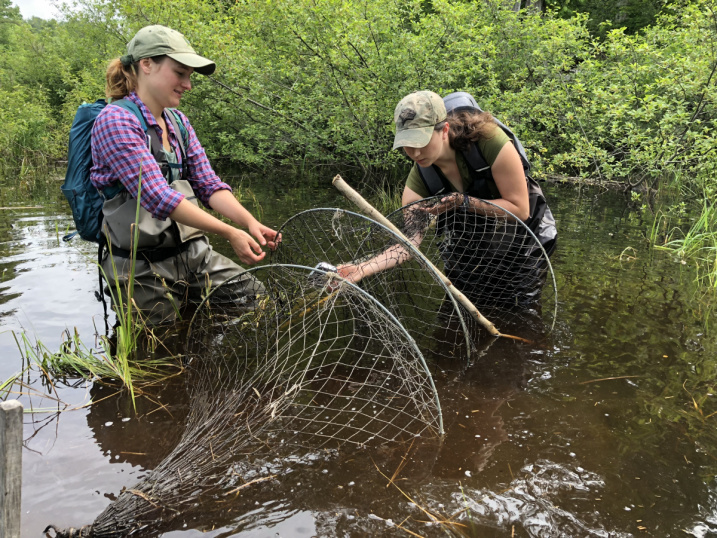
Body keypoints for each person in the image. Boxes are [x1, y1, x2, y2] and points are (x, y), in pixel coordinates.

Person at [92, 25, 278, 325]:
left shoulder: (178, 122)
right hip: (140, 268)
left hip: (195, 255)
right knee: (159, 351)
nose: (188, 84)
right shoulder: (115, 120)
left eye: (189, 75)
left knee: (255, 297)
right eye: (180, 73)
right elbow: (157, 196)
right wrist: (229, 232)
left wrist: (249, 222)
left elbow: (208, 185)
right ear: (147, 64)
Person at [338, 90, 557, 309]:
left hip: (524, 233)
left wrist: (465, 202)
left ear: (444, 130)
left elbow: (520, 209)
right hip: (475, 237)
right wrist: (361, 269)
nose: (414, 153)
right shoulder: (420, 180)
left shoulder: (490, 140)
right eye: (407, 143)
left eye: (420, 141)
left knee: (519, 307)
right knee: (459, 307)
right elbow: (408, 244)